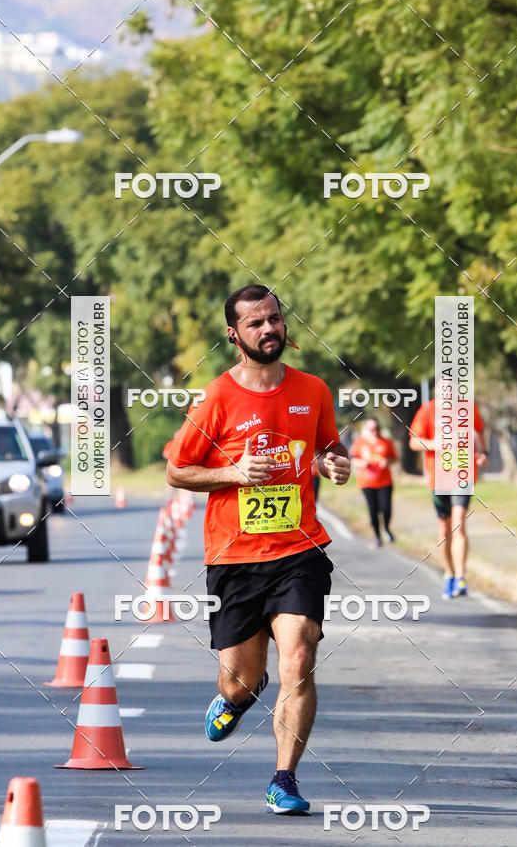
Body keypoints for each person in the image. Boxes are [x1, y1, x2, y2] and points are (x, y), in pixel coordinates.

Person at [166, 284, 351, 815]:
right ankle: (237, 698)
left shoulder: (313, 389)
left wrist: (333, 464)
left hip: (299, 549)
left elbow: (324, 448)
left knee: (301, 654)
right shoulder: (215, 397)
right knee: (240, 679)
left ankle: (284, 779)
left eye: (274, 318)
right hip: (233, 557)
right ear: (234, 334)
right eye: (254, 323)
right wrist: (233, 472)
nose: (268, 329)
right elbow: (178, 470)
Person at [409, 387, 487, 600]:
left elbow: (478, 430)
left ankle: (461, 577)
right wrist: (435, 444)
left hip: (463, 474)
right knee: (445, 530)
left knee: (459, 523)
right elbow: (414, 441)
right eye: (443, 391)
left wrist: (482, 452)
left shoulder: (468, 408)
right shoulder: (428, 410)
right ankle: (449, 574)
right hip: (438, 477)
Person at [350, 418, 397, 548]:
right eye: (371, 429)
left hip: (385, 481)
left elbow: (393, 459)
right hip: (366, 482)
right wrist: (363, 463)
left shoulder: (386, 442)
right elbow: (352, 459)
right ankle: (377, 537)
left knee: (386, 508)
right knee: (373, 510)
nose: (374, 431)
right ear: (366, 429)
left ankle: (386, 527)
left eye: (376, 428)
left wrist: (387, 461)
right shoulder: (360, 442)